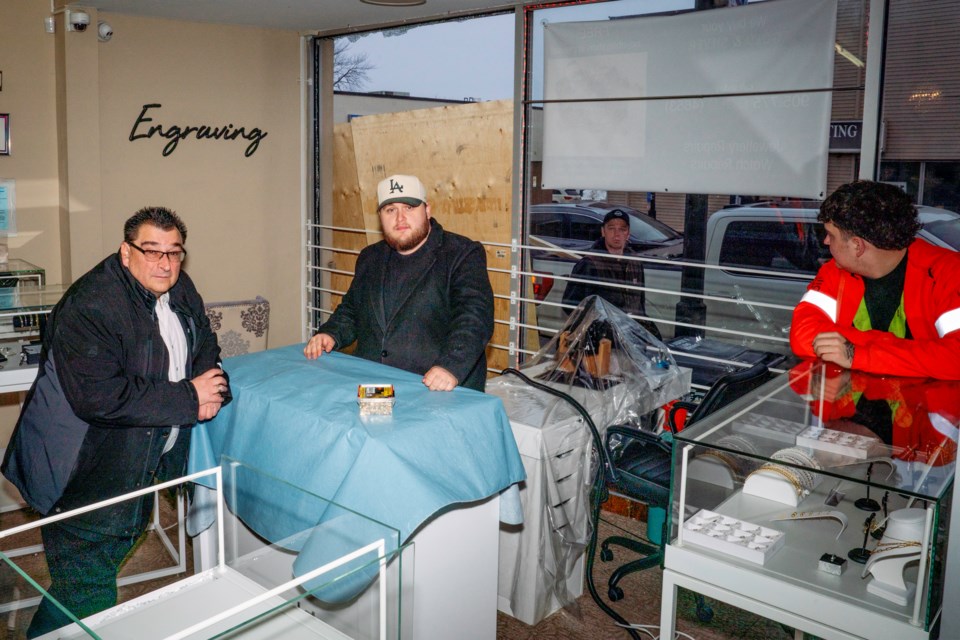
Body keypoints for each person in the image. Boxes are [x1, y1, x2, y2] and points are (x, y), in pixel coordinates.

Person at [1, 206, 229, 637]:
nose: (165, 263)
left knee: (100, 569)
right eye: (152, 251)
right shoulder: (92, 304)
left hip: (135, 463)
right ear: (126, 252)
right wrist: (188, 397)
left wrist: (212, 386)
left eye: (174, 252)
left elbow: (204, 341)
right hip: (80, 473)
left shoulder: (178, 286)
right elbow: (101, 398)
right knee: (85, 595)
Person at [304, 174, 494, 392]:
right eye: (390, 210)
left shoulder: (462, 254)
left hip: (436, 392)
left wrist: (450, 367)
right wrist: (330, 334)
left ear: (427, 210)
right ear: (380, 216)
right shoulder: (370, 257)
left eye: (409, 207)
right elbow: (353, 310)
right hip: (376, 387)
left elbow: (474, 317)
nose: (400, 218)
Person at [790, 180, 960, 379]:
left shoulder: (948, 273)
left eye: (830, 235)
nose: (825, 241)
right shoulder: (834, 271)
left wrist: (857, 353)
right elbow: (802, 336)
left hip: (925, 406)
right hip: (852, 401)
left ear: (857, 246)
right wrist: (917, 352)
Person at [561, 209, 660, 338]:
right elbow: (570, 305)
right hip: (602, 341)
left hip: (630, 337)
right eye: (611, 228)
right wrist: (598, 328)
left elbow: (639, 306)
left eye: (622, 229)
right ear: (603, 232)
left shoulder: (635, 264)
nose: (616, 234)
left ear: (628, 234)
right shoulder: (590, 263)